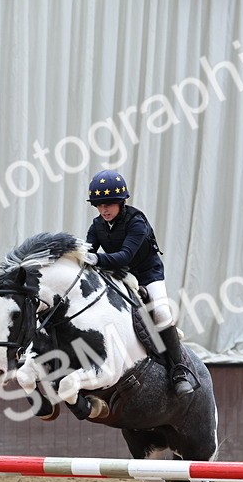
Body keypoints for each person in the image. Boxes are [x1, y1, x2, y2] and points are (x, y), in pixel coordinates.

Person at [84, 169, 196, 396]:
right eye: (99, 205)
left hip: (146, 273)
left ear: (121, 202)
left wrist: (95, 259)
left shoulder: (137, 221)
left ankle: (179, 371)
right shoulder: (97, 226)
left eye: (109, 204)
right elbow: (87, 253)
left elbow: (125, 256)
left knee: (162, 314)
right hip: (119, 274)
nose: (104, 209)